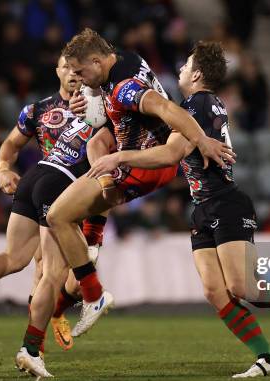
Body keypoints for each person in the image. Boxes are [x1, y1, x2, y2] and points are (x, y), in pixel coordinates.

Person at [88, 41, 270, 378]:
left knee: (242, 288)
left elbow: (169, 154)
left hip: (226, 202)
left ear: (196, 74)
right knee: (214, 291)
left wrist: (119, 156)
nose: (180, 69)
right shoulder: (196, 105)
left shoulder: (198, 104)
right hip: (204, 207)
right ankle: (268, 359)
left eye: (185, 65)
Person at [44, 28, 234, 338]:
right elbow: (107, 103)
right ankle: (91, 244)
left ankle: (93, 294)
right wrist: (91, 102)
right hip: (134, 145)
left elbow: (166, 108)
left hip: (144, 161)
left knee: (58, 216)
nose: (76, 78)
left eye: (80, 71)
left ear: (96, 60)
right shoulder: (124, 59)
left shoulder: (124, 88)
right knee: (96, 147)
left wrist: (202, 141)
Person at [0, 56, 105, 355]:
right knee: (48, 270)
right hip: (56, 189)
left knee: (21, 260)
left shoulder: (98, 104)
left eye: (78, 69)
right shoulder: (38, 109)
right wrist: (3, 168)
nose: (72, 74)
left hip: (53, 187)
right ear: (57, 71)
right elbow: (10, 145)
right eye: (66, 67)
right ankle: (36, 344)